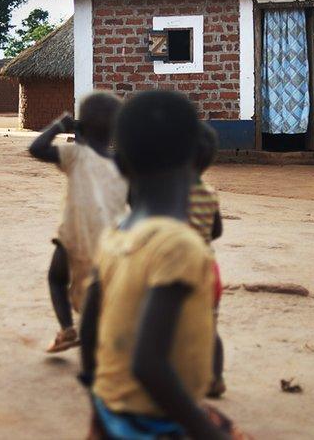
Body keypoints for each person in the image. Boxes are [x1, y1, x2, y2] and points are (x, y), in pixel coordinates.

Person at [79, 91, 245, 440]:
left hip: (111, 412)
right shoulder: (179, 245)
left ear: (121, 166)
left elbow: (91, 326)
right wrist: (205, 431)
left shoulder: (114, 238)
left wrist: (98, 398)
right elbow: (148, 364)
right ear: (198, 157)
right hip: (155, 421)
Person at [29, 92, 127, 353]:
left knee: (56, 279)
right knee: (103, 290)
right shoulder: (122, 164)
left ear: (81, 124)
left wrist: (60, 125)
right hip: (110, 240)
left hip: (73, 235)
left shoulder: (76, 155)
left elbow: (36, 148)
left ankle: (67, 329)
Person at [188, 122, 227, 399]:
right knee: (210, 329)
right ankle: (216, 378)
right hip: (209, 271)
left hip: (180, 270)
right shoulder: (209, 193)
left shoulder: (171, 194)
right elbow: (217, 231)